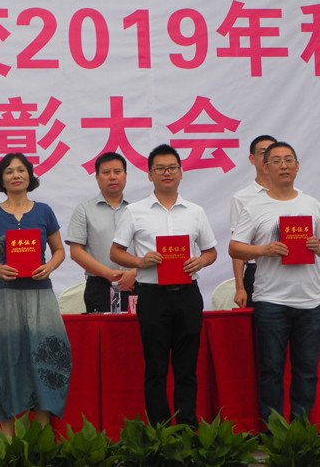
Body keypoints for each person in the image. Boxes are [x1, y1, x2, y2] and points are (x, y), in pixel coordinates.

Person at [110, 143, 218, 427]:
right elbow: (115, 252)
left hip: (187, 295)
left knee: (186, 368)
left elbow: (211, 252)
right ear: (150, 175)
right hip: (152, 296)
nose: (167, 173)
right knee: (155, 367)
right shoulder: (135, 211)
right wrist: (140, 261)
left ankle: (186, 428)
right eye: (160, 169)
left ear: (181, 173)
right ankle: (159, 430)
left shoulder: (195, 211)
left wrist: (200, 261)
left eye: (172, 168)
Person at [230, 141, 320, 422]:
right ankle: (273, 430)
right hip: (271, 301)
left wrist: (318, 246)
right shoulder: (254, 207)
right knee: (271, 370)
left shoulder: (310, 203)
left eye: (289, 160)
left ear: (297, 166)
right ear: (265, 168)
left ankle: (301, 430)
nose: (283, 166)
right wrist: (263, 250)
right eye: (276, 161)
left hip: (309, 300)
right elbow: (235, 248)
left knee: (306, 371)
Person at [0, 152, 71, 435]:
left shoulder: (44, 211)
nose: (16, 175)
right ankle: (7, 434)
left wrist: (50, 266)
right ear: (1, 179)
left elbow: (59, 250)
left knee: (47, 357)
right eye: (9, 171)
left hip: (40, 296)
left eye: (21, 170)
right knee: (2, 358)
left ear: (29, 176)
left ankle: (42, 433)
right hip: (3, 297)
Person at [66, 151, 137, 313]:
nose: (112, 177)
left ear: (125, 176)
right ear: (97, 177)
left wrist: (135, 272)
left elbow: (149, 249)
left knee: (138, 328)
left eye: (117, 172)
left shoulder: (138, 210)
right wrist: (110, 274)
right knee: (102, 328)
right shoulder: (84, 210)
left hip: (135, 283)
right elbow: (76, 252)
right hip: (99, 285)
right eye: (106, 172)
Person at [229, 134, 277, 308]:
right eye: (263, 153)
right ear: (252, 159)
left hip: (289, 270)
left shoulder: (295, 196)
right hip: (257, 271)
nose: (268, 158)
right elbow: (237, 246)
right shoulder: (242, 198)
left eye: (273, 153)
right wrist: (240, 287)